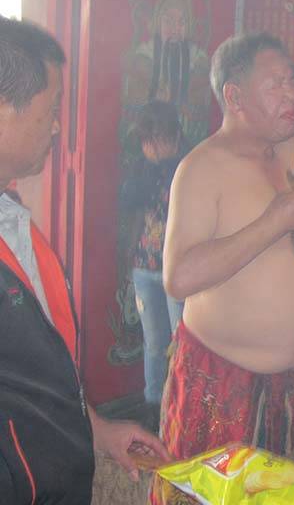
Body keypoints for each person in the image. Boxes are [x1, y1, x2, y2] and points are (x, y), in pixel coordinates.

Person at [155, 5, 294, 497]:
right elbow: (179, 277)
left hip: (292, 383)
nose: (292, 93)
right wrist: (274, 222)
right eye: (275, 85)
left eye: (293, 81)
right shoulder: (203, 166)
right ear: (234, 96)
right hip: (224, 381)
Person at [0, 16, 169, 503]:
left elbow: (35, 373)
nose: (57, 126)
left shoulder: (13, 219)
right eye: (51, 108)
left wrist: (95, 428)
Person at [119, 100, 184, 427]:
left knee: (181, 343)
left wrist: (167, 163)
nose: (151, 146)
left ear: (171, 135)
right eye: (146, 140)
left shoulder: (187, 166)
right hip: (145, 265)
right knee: (154, 342)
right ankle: (153, 408)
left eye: (156, 138)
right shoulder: (141, 169)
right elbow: (130, 206)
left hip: (178, 269)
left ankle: (181, 409)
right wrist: (127, 255)